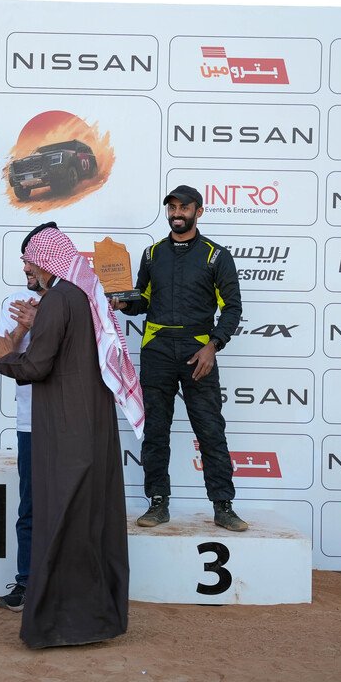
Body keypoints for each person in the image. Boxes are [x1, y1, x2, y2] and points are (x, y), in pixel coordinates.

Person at [0, 226, 144, 649]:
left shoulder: (57, 299)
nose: (27, 268)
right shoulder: (84, 296)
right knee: (88, 524)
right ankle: (94, 621)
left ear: (46, 260)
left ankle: (59, 625)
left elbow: (37, 367)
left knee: (60, 522)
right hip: (91, 431)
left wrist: (3, 359)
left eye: (30, 260)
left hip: (65, 434)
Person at [114, 184, 248, 532]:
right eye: (172, 207)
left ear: (198, 212)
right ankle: (158, 503)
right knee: (155, 431)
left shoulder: (216, 256)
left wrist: (213, 345)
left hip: (197, 352)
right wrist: (124, 303)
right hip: (157, 350)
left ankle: (223, 506)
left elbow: (232, 308)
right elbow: (142, 300)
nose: (177, 213)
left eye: (184, 208)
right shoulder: (152, 254)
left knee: (210, 430)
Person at [0, 222, 56, 613]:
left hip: (69, 420)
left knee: (70, 503)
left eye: (32, 261)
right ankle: (26, 582)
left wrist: (41, 321)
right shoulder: (15, 300)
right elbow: (2, 356)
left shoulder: (74, 300)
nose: (26, 268)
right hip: (30, 422)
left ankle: (66, 586)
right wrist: (22, 326)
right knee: (31, 506)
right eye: (24, 261)